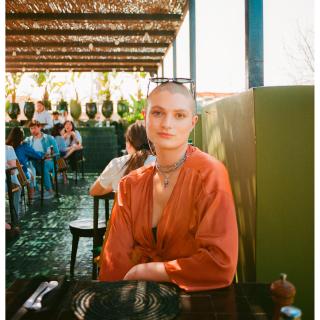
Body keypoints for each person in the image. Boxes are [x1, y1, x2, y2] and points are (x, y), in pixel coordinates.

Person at [98, 80, 238, 292]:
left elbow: (220, 263)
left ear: (193, 122)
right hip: (137, 302)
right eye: (157, 113)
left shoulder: (210, 174)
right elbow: (113, 261)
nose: (167, 124)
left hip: (197, 302)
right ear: (145, 118)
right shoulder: (130, 184)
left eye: (179, 115)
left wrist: (146, 271)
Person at [90, 122, 155, 196]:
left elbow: (93, 191)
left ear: (129, 144)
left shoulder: (116, 164)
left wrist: (115, 185)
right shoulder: (161, 164)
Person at [24, 120, 60, 199]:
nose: (32, 130)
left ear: (40, 127)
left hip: (49, 162)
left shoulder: (49, 138)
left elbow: (57, 153)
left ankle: (49, 190)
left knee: (44, 165)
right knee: (28, 166)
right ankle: (36, 189)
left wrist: (50, 156)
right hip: (34, 162)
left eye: (34, 128)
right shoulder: (28, 140)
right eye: (31, 128)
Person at [6, 127, 44, 199]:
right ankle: (31, 198)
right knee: (31, 175)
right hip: (20, 176)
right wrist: (43, 154)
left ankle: (21, 196)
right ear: (22, 136)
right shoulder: (24, 146)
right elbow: (38, 156)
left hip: (7, 176)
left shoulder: (6, 146)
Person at [5, 145, 22, 218]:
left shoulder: (8, 148)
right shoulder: (8, 148)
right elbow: (12, 171)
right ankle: (14, 218)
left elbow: (12, 171)